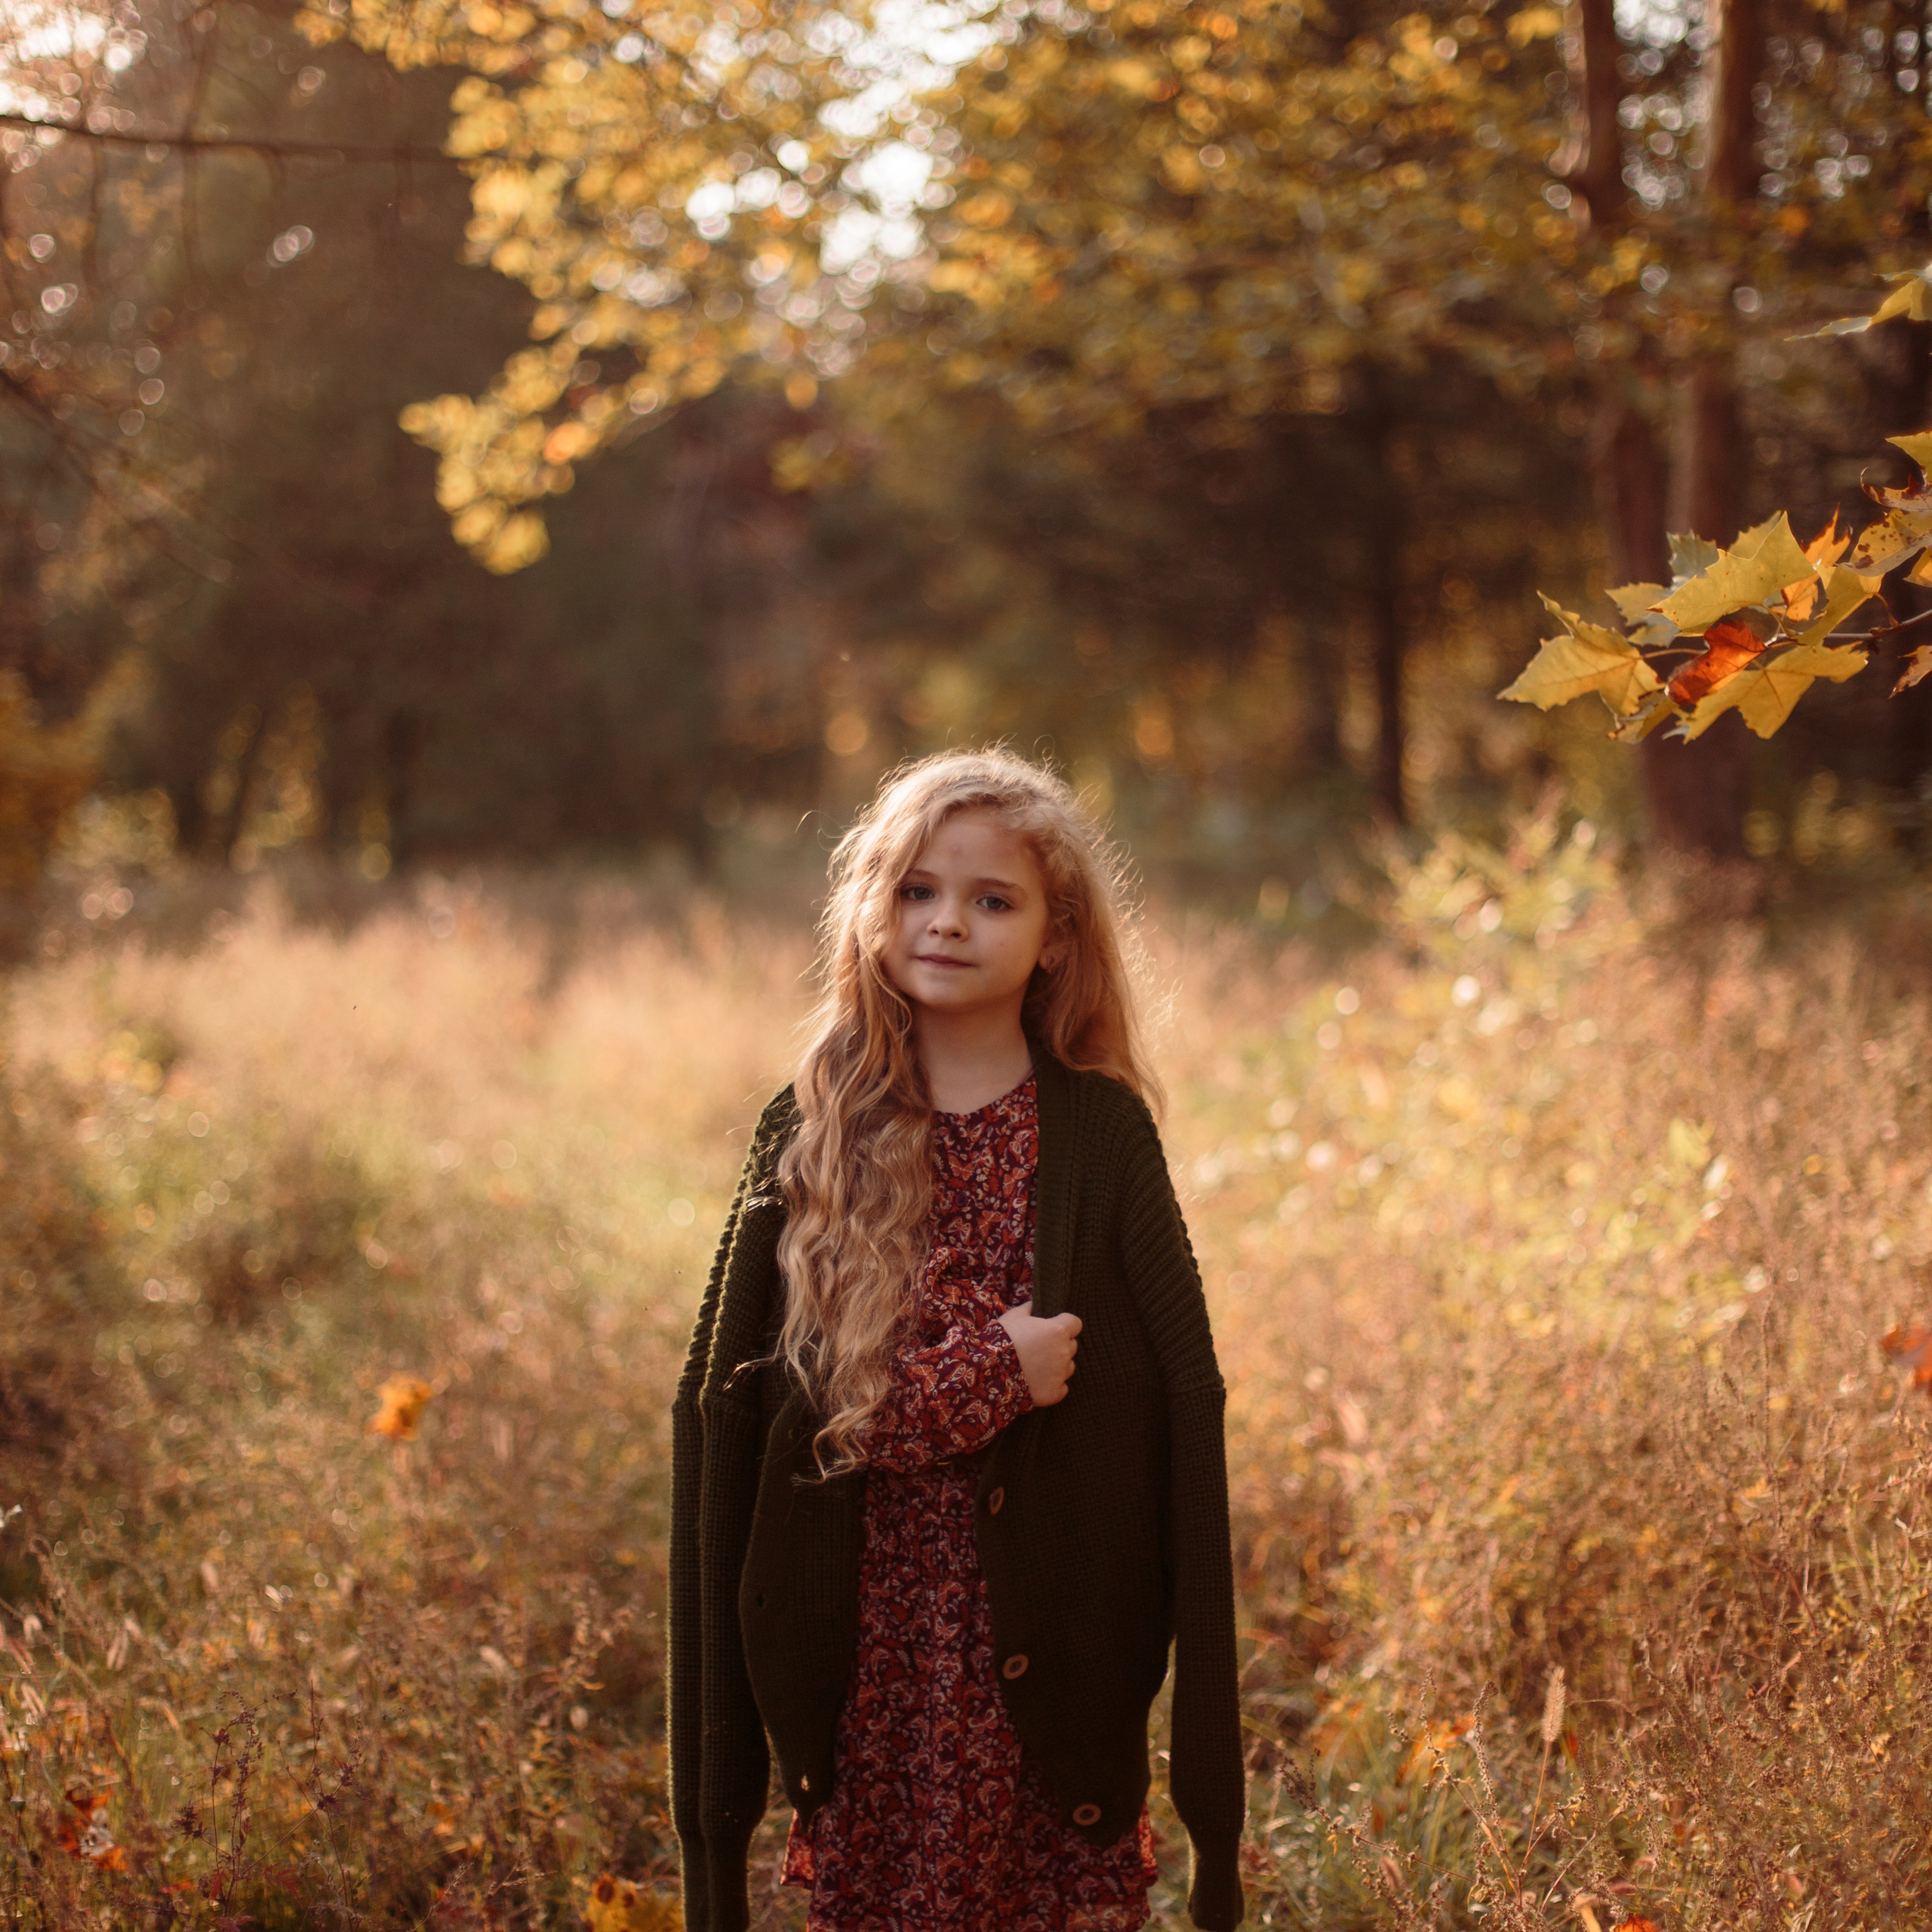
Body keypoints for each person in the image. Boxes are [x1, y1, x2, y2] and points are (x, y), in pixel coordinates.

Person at [669, 749, 1245, 1932]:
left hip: (1056, 1638)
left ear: (1057, 939)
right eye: (919, 891)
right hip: (877, 1648)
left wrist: (1212, 1806)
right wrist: (998, 1375)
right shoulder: (814, 1127)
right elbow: (769, 1415)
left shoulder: (1098, 1134)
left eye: (994, 900)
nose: (949, 922)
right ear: (874, 911)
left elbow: (1190, 1394)